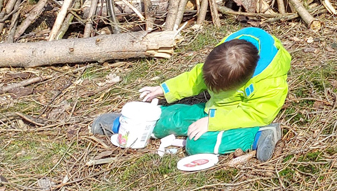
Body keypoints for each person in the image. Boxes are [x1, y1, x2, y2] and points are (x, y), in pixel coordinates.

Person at [90, 27, 291, 161]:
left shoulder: (268, 83)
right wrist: (165, 89)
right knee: (173, 116)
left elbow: (256, 113)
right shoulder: (225, 55)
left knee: (198, 144)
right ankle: (125, 125)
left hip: (235, 119)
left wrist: (212, 122)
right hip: (211, 110)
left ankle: (259, 136)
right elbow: (196, 78)